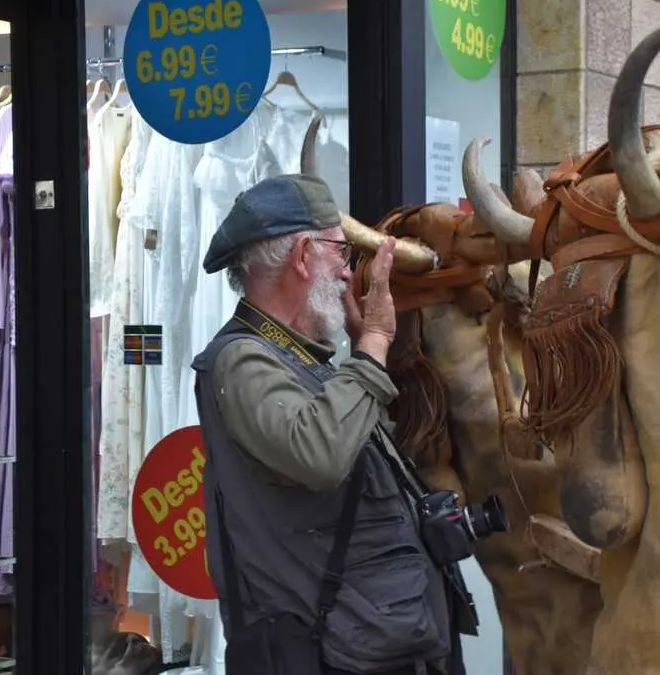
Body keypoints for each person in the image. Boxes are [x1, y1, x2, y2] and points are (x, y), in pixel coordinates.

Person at [191, 174, 469, 675]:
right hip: (325, 654)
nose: (347, 275)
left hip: (370, 644)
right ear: (301, 256)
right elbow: (320, 454)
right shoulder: (240, 361)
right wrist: (376, 342)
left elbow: (357, 464)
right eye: (340, 255)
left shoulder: (303, 361)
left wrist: (372, 357)